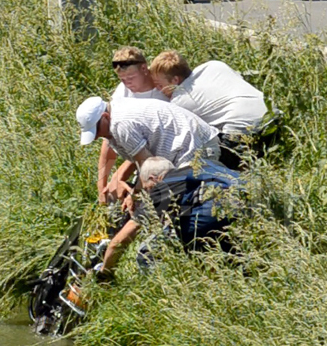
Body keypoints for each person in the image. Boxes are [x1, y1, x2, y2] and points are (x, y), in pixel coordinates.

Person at [76, 95, 220, 278]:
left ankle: (182, 264)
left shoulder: (121, 125)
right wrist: (134, 193)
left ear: (105, 116)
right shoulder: (115, 118)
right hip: (178, 155)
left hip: (195, 151)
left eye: (96, 130)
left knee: (173, 210)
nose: (96, 136)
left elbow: (147, 168)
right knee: (163, 206)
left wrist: (142, 203)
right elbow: (145, 166)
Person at [149, 50, 272, 169]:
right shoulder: (213, 65)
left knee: (195, 157)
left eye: (160, 85)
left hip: (245, 134)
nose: (159, 90)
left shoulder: (180, 101)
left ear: (175, 80)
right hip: (271, 115)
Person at [97, 47, 169, 204]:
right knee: (111, 193)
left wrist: (121, 174)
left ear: (144, 68)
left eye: (130, 77)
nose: (127, 83)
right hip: (137, 152)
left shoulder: (161, 91)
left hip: (160, 152)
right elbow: (109, 139)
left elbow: (144, 145)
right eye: (122, 79)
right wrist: (101, 184)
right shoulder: (123, 91)